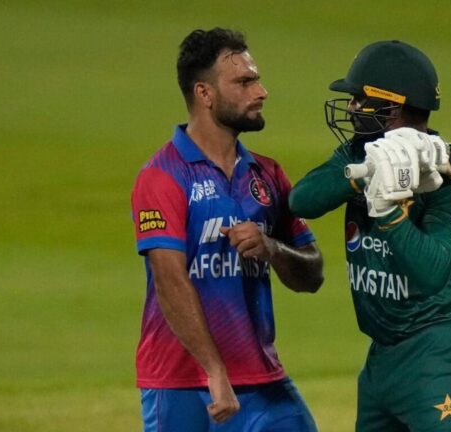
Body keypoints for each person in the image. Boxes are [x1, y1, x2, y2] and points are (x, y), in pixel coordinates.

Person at [289, 40, 451, 431]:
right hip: (382, 357)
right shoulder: (360, 153)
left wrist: (390, 210)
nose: (350, 107)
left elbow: (433, 271)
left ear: (392, 107)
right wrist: (367, 173)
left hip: (442, 352)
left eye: (359, 99)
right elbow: (302, 200)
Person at [131, 27, 323, 432]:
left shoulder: (267, 175)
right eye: (244, 82)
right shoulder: (163, 176)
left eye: (257, 80)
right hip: (183, 384)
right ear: (205, 94)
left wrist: (272, 248)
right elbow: (170, 281)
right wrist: (214, 371)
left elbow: (312, 275)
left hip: (261, 378)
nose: (261, 92)